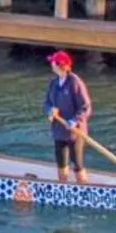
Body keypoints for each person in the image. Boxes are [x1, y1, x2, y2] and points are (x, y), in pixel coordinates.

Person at [44, 49, 93, 182]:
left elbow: (86, 106)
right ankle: (63, 186)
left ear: (60, 65)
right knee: (61, 163)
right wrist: (50, 110)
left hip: (74, 132)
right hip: (59, 130)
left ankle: (83, 189)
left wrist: (75, 120)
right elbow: (47, 102)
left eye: (53, 62)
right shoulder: (53, 83)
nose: (51, 64)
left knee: (77, 164)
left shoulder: (75, 82)